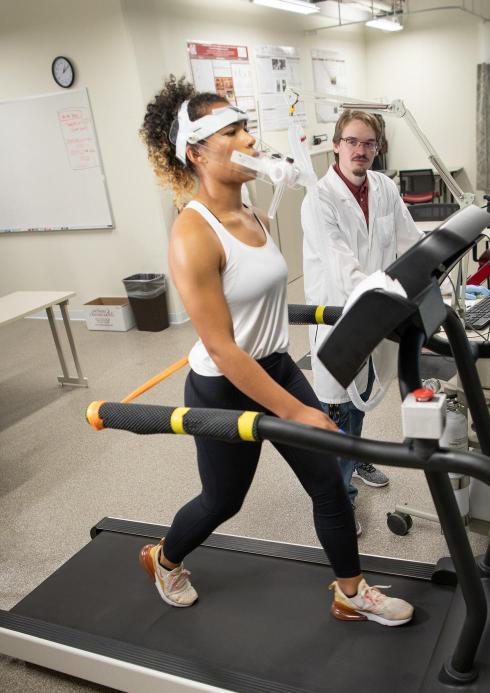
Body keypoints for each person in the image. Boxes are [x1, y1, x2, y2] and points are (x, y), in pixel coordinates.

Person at [136, 76, 413, 626]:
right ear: (195, 152)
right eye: (232, 132)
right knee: (223, 500)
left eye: (246, 128)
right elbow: (223, 346)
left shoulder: (256, 214)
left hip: (277, 365)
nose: (249, 141)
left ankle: (350, 592)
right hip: (223, 383)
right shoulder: (193, 234)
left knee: (328, 481)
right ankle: (164, 558)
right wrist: (299, 410)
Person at [301, 109, 423, 533]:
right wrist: (388, 297)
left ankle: (355, 459)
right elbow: (343, 268)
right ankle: (340, 500)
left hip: (376, 308)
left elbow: (410, 243)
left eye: (369, 144)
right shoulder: (319, 199)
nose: (361, 151)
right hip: (339, 313)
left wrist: (427, 273)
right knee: (337, 410)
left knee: (363, 394)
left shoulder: (385, 187)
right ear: (336, 145)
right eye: (352, 141)